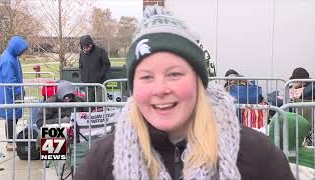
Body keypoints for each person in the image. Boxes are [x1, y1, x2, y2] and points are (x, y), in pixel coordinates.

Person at [74, 6, 294, 180]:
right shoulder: (104, 160)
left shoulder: (255, 154)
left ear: (199, 81)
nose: (160, 89)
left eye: (174, 74)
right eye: (146, 77)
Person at [0, 36, 28, 151]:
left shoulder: (12, 57)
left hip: (11, 92)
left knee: (13, 117)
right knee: (10, 117)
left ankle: (11, 139)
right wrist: (18, 93)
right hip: (8, 93)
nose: (23, 52)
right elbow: (10, 80)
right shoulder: (8, 59)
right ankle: (10, 142)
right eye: (22, 50)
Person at [79, 35, 111, 102]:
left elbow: (106, 64)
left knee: (99, 102)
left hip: (99, 83)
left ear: (91, 45)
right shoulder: (82, 53)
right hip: (88, 83)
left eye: (87, 47)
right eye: (84, 48)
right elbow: (81, 66)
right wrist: (83, 77)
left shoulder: (100, 51)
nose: (86, 49)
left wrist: (99, 75)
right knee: (89, 103)